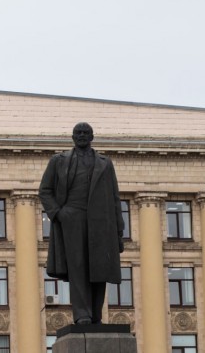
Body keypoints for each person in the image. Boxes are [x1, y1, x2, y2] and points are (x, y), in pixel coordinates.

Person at [39, 122, 124, 325]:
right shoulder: (58, 161)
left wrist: (119, 232)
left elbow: (114, 198)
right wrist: (58, 213)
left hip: (101, 222)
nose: (82, 136)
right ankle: (82, 315)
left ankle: (96, 314)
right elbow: (45, 190)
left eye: (86, 133)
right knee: (78, 267)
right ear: (73, 137)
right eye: (78, 133)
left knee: (99, 268)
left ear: (92, 136)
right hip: (72, 219)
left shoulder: (105, 163)